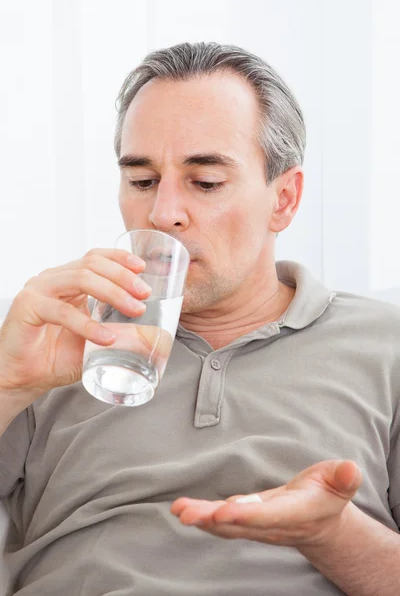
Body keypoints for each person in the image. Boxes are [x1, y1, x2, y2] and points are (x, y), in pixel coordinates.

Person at [0, 42, 399, 596]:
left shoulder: (387, 347)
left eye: (205, 182)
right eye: (142, 181)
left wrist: (332, 532)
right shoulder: (49, 337)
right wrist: (8, 385)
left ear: (284, 199)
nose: (163, 214)